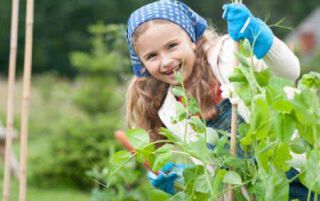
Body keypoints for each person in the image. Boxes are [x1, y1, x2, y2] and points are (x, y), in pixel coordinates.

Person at [125, 0, 308, 200]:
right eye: (152, 56)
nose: (166, 61)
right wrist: (185, 181)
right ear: (142, 64)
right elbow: (218, 178)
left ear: (191, 39)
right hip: (259, 192)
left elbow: (289, 72)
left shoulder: (229, 54)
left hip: (300, 169)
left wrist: (258, 35)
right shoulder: (171, 110)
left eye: (172, 46)